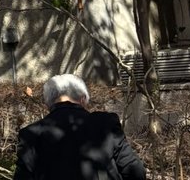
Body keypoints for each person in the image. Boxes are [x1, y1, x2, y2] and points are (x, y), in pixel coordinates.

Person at [13, 74, 146, 180]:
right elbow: (134, 170)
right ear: (82, 99)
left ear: (48, 103)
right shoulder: (105, 123)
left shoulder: (30, 133)